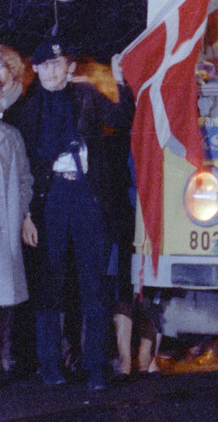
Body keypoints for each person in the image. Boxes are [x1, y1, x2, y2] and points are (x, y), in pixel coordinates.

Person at [12, 35, 134, 390]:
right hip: (48, 200)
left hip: (87, 195)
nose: (53, 71)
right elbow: (24, 169)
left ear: (68, 66)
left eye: (58, 63)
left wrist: (120, 80)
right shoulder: (27, 109)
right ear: (36, 68)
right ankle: (50, 364)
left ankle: (96, 367)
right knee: (48, 282)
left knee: (93, 283)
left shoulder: (86, 95)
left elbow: (122, 117)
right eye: (46, 65)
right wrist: (27, 215)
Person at [0, 45, 35, 384]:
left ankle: (5, 355)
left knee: (6, 293)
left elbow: (25, 179)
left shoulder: (12, 137)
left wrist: (24, 214)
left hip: (5, 225)